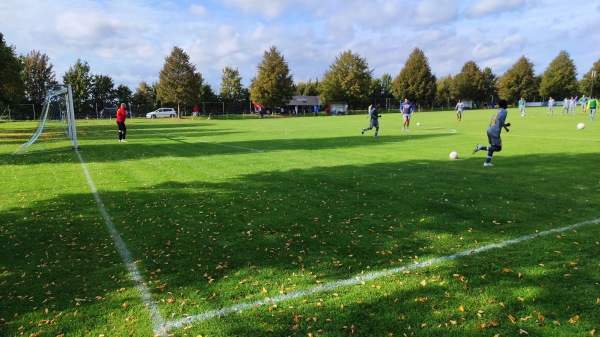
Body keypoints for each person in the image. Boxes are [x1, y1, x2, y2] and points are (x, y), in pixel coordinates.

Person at [472, 100, 510, 167]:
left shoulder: (497, 111)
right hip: (495, 131)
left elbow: (497, 120)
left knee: (493, 146)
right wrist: (505, 127)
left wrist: (505, 126)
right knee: (498, 148)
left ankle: (487, 162)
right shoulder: (504, 111)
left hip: (490, 129)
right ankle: (481, 147)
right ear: (504, 105)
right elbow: (500, 120)